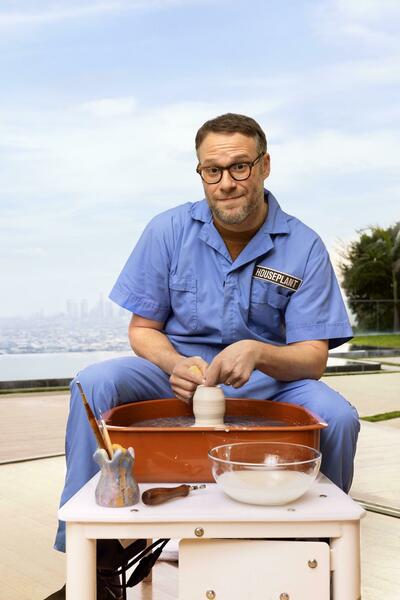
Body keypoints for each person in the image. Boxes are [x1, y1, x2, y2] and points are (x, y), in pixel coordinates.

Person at [47, 113, 359, 598]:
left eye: (239, 167)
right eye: (212, 170)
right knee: (93, 382)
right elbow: (142, 330)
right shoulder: (167, 230)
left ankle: (311, 552)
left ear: (265, 165)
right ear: (200, 172)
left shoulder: (304, 247)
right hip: (177, 374)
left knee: (338, 417)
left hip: (268, 380)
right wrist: (174, 364)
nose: (227, 183)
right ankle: (98, 561)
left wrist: (259, 352)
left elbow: (313, 358)